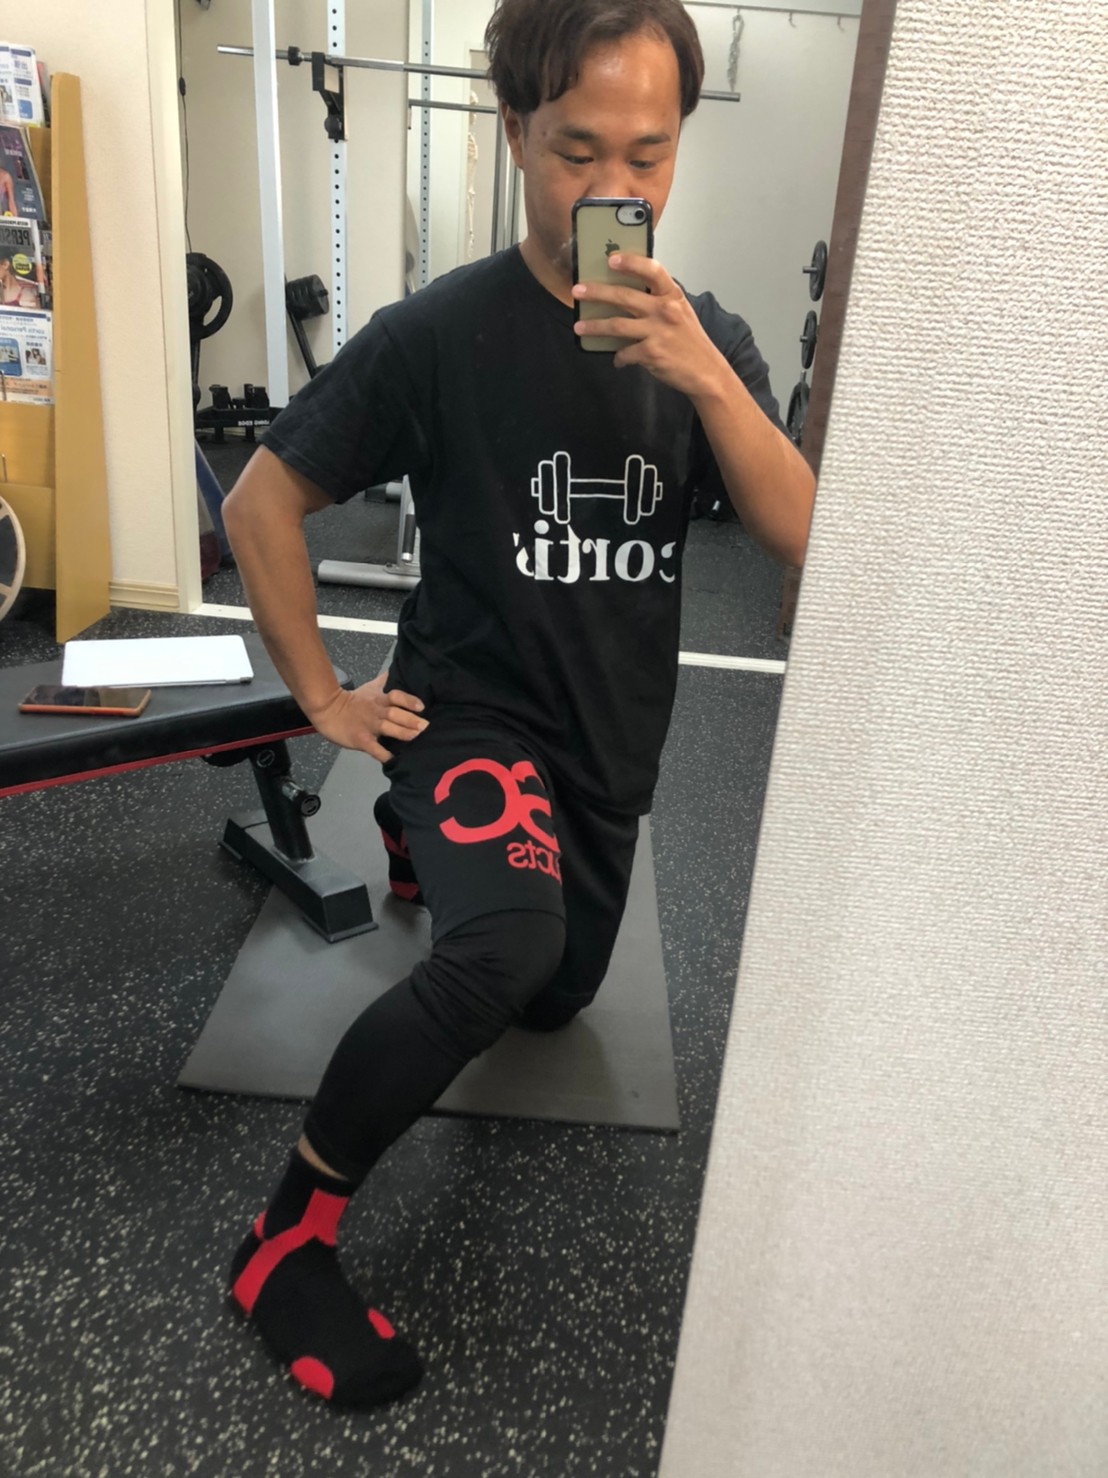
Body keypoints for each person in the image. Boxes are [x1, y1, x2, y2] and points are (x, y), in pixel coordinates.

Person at [221, 0, 816, 1410]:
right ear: (513, 134)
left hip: (609, 741)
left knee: (552, 1000)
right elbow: (259, 502)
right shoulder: (436, 335)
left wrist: (703, 376)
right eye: (576, 151)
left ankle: (429, 854)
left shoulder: (710, 340)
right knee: (506, 949)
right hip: (470, 711)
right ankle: (282, 1239)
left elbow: (807, 531)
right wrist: (324, 697)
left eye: (649, 156)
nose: (615, 188)